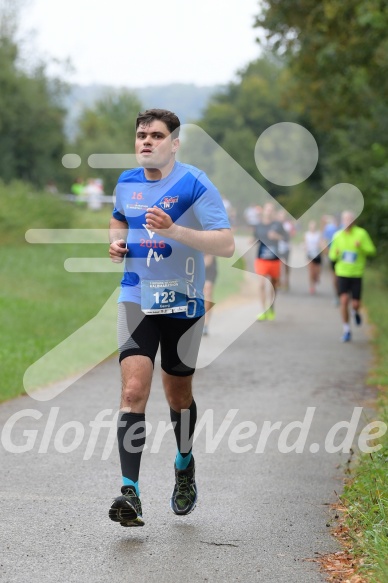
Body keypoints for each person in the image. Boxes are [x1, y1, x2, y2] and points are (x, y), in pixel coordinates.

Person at [108, 109, 234, 527]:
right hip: (135, 296)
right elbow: (119, 219)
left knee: (177, 395)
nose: (147, 141)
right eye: (141, 134)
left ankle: (184, 464)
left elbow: (226, 243)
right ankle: (131, 492)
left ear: (174, 143)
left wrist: (174, 231)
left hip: (183, 300)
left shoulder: (194, 183)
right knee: (133, 390)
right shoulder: (126, 183)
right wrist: (117, 242)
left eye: (156, 136)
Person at [329, 210, 376, 342]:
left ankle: (355, 311)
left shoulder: (361, 234)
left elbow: (372, 251)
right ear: (342, 221)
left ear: (354, 221)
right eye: (345, 219)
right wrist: (336, 253)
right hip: (342, 273)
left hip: (356, 273)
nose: (347, 222)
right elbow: (332, 255)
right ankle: (346, 329)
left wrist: (361, 247)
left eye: (349, 219)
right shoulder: (337, 235)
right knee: (344, 300)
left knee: (355, 304)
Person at [253, 202, 287, 321]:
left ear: (273, 212)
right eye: (267, 209)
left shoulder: (278, 225)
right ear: (263, 211)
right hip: (261, 259)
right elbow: (255, 238)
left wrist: (277, 236)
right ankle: (263, 310)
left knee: (273, 286)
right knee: (261, 284)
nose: (269, 212)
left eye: (271, 210)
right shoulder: (258, 225)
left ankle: (271, 307)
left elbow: (286, 238)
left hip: (274, 259)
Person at [322, 214, 340, 304]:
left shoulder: (344, 228)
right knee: (335, 276)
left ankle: (342, 294)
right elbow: (324, 241)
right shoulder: (329, 229)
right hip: (332, 256)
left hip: (342, 257)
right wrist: (327, 252)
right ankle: (337, 295)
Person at [304, 220, 323, 294]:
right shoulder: (307, 234)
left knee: (317, 271)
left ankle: (316, 278)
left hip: (317, 254)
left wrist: (321, 245)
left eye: (314, 226)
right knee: (311, 272)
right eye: (311, 226)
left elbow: (321, 243)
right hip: (309, 255)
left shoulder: (318, 234)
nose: (313, 228)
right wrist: (305, 248)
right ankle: (312, 286)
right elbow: (305, 244)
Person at [202, 254, 218, 336]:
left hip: (208, 265)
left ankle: (205, 324)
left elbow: (209, 259)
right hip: (192, 263)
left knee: (208, 289)